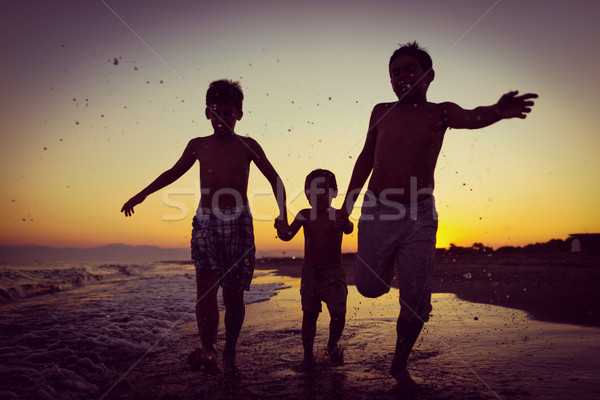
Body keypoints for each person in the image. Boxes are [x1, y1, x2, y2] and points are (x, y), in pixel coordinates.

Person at [335, 41, 537, 389]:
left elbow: (473, 117)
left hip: (420, 214)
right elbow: (366, 158)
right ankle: (392, 262)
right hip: (377, 208)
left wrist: (497, 111)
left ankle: (399, 364)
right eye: (395, 72)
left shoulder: (440, 111)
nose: (402, 77)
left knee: (415, 302)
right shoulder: (381, 110)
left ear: (429, 75)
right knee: (368, 288)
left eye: (410, 69)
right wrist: (346, 207)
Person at [121, 79, 287, 376]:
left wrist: (282, 214)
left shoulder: (248, 145)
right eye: (217, 111)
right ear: (207, 112)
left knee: (234, 295)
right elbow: (172, 172)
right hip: (206, 221)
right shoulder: (197, 145)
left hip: (239, 222)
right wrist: (142, 194)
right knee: (206, 285)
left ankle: (230, 353)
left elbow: (275, 179)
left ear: (240, 114)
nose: (223, 119)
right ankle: (209, 350)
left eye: (229, 112)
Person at [277, 169, 354, 371]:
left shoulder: (338, 214)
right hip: (310, 272)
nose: (318, 197)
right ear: (306, 194)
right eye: (313, 192)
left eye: (324, 191)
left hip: (334, 272)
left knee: (339, 313)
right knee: (309, 314)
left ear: (335, 193)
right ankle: (308, 357)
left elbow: (348, 228)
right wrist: (280, 227)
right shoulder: (304, 215)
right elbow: (287, 236)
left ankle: (332, 345)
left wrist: (345, 222)